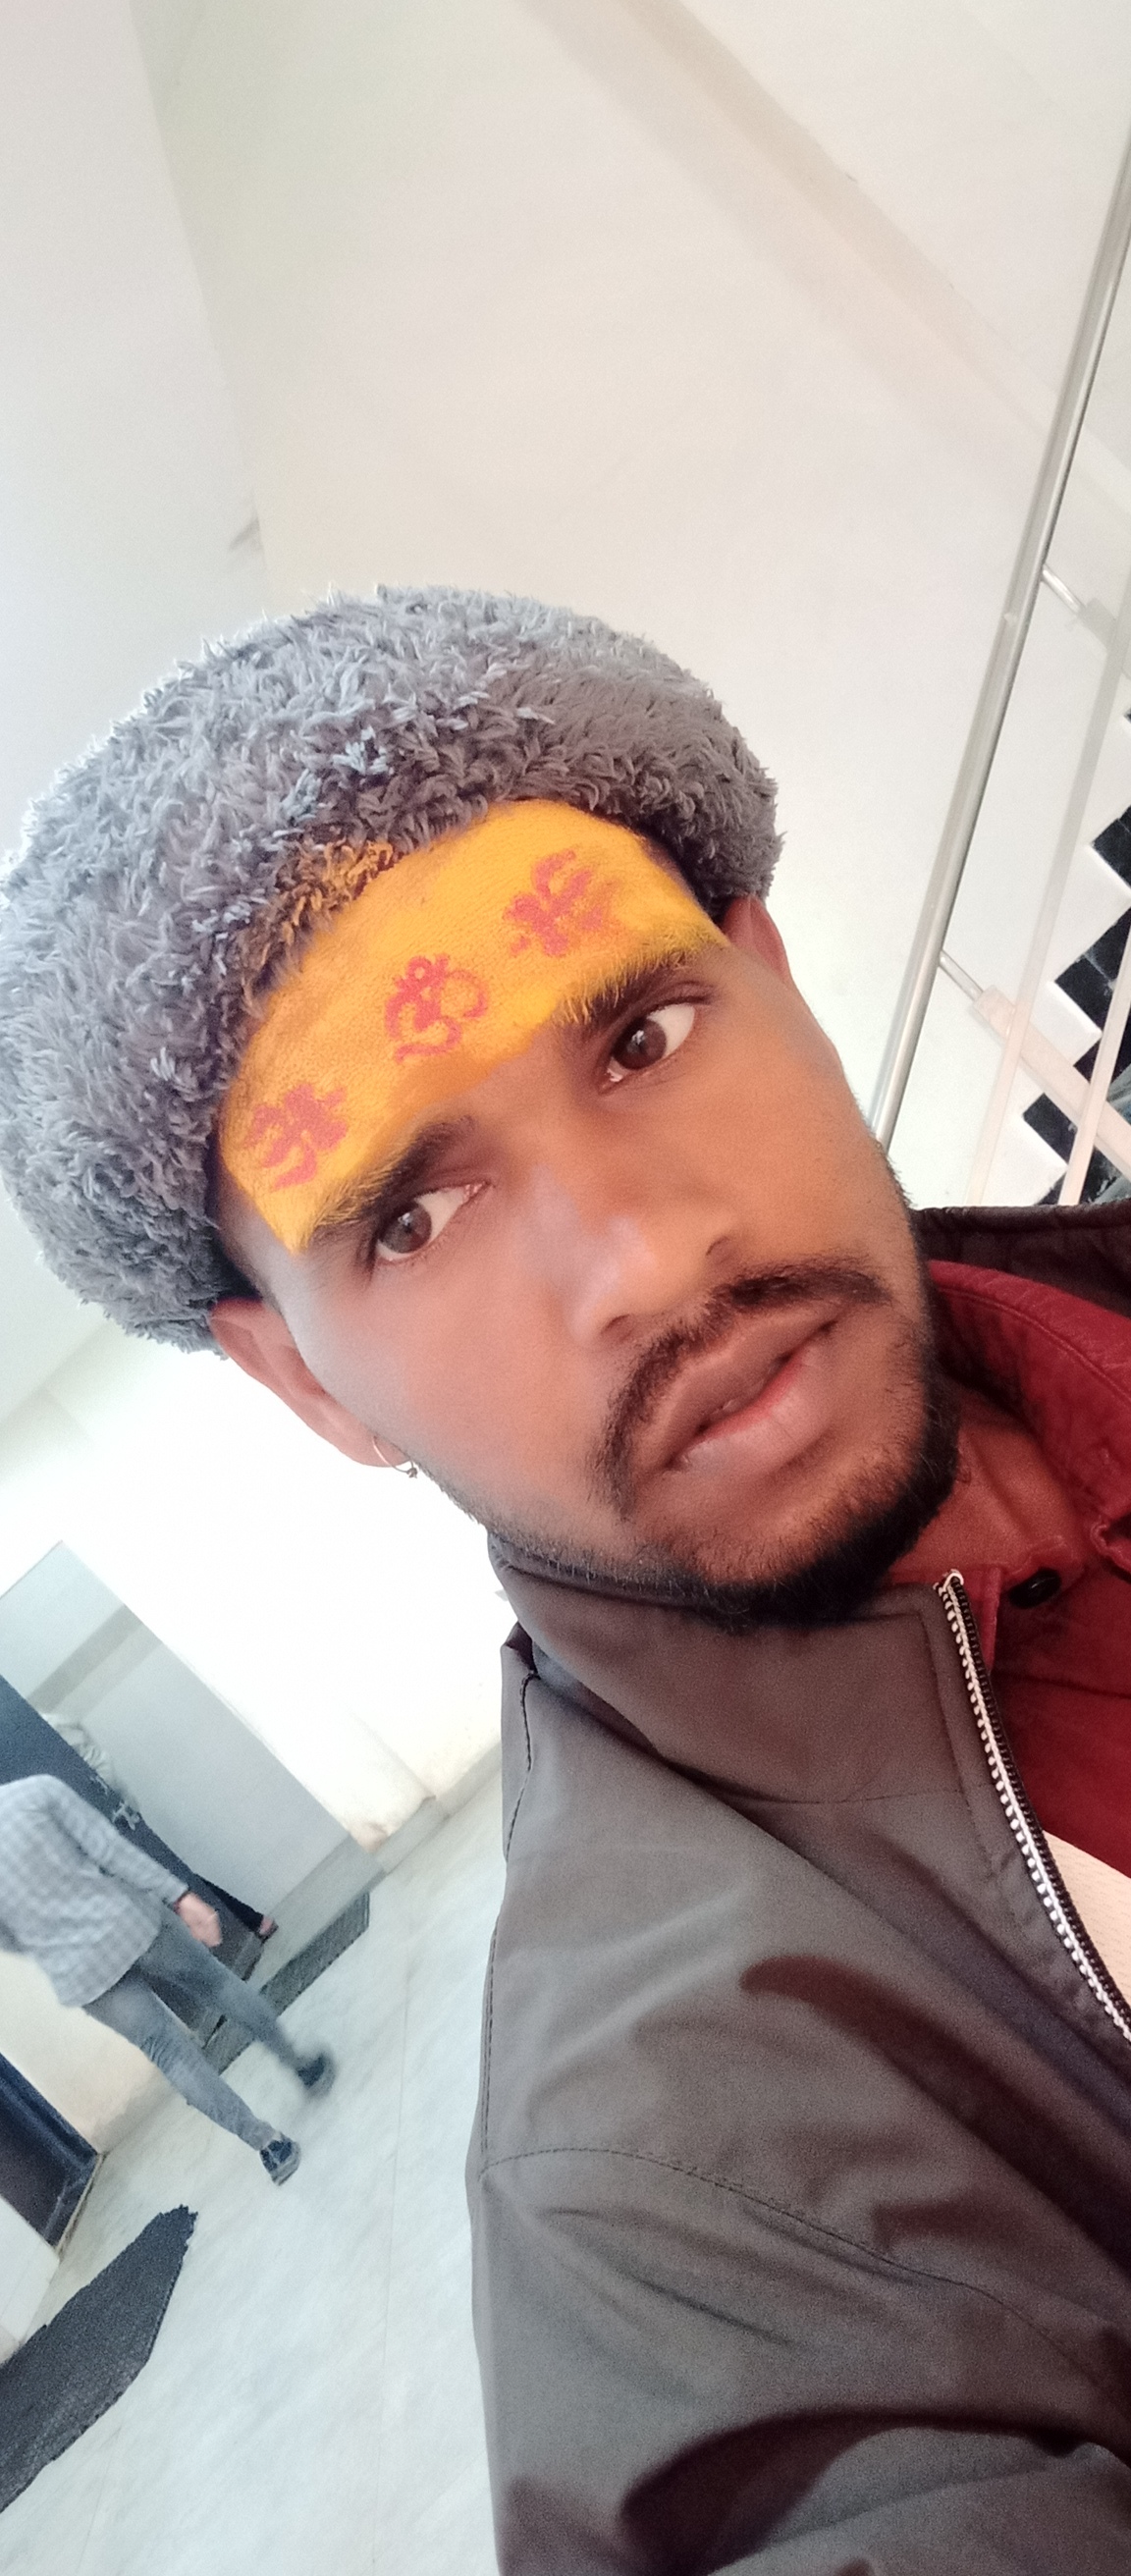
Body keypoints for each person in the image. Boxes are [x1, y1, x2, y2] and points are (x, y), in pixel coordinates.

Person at [1, 589, 1130, 2566]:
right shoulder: (669, 2168)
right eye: (413, 1214)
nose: (643, 1256)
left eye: (642, 1034)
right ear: (304, 1385)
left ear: (773, 982)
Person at [0, 1774, 333, 2182]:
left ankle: (269, 2146)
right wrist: (178, 1894)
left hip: (82, 1976)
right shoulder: (35, 1793)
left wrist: (53, 1942)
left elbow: (8, 1940)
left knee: (170, 2055)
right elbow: (110, 1849)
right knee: (218, 1985)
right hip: (129, 1921)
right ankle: (303, 2067)